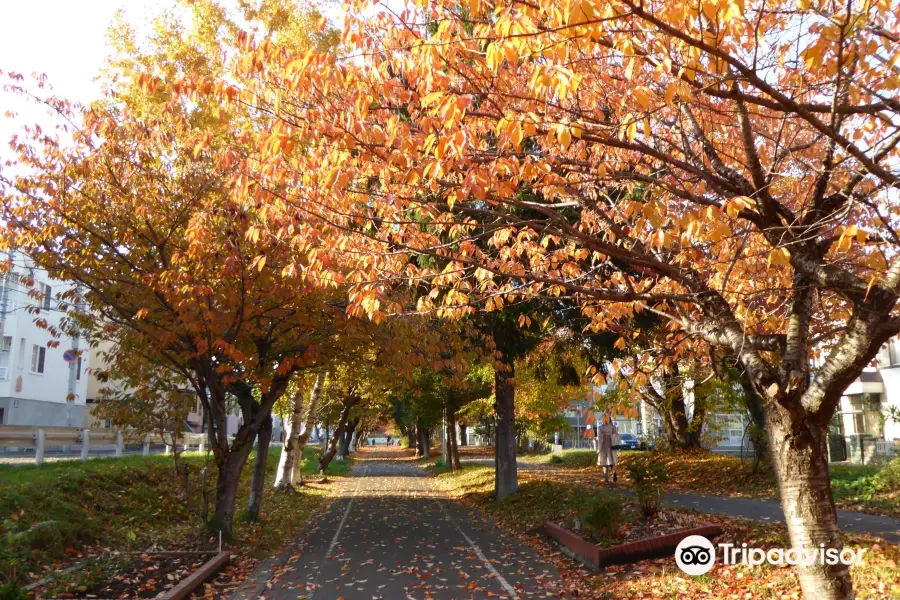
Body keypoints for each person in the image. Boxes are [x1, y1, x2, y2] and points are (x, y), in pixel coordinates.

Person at [596, 413, 619, 482]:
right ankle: (614, 472)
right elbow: (616, 435)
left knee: (604, 463)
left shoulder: (600, 428)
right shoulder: (613, 426)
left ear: (603, 419)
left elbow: (600, 440)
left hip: (604, 447)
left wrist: (598, 449)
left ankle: (606, 477)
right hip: (612, 446)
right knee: (612, 462)